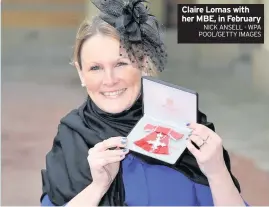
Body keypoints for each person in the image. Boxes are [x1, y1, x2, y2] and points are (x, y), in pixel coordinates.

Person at [40, 0, 248, 206]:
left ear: (142, 64)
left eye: (121, 63)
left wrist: (218, 172)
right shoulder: (71, 138)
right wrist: (98, 187)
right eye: (95, 68)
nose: (110, 80)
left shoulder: (184, 126)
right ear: (81, 73)